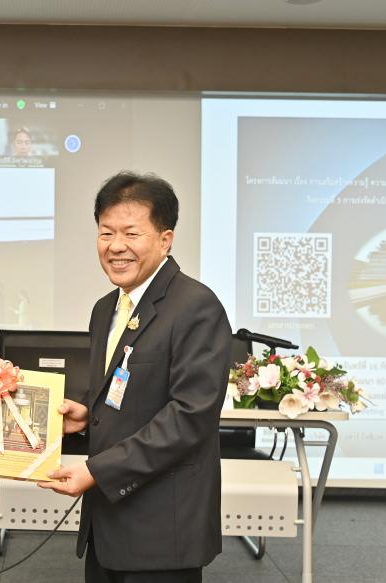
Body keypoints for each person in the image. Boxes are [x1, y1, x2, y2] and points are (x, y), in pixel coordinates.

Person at [39, 171, 232, 583]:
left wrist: (98, 471)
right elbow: (124, 395)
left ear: (165, 239)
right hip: (107, 522)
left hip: (162, 530)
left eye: (131, 233)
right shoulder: (105, 308)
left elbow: (189, 417)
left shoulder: (196, 306)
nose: (116, 246)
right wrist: (84, 415)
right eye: (106, 233)